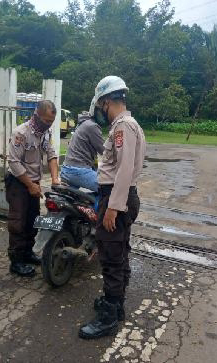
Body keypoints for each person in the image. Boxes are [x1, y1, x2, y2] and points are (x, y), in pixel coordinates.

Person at [79, 76, 146, 339]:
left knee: (110, 257)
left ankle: (108, 317)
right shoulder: (125, 125)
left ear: (106, 101)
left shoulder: (123, 127)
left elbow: (124, 169)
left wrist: (112, 207)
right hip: (118, 197)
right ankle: (115, 306)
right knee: (118, 253)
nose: (100, 111)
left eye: (100, 105)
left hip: (117, 198)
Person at [5, 100, 60, 277]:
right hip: (18, 182)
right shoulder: (20, 133)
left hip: (33, 183)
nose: (48, 124)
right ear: (36, 115)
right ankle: (16, 261)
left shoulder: (45, 133)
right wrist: (30, 185)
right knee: (18, 222)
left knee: (32, 220)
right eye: (45, 121)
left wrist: (54, 179)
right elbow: (13, 163)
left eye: (51, 122)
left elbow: (51, 155)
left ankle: (27, 253)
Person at [60, 111, 104, 193]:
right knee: (108, 187)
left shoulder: (82, 124)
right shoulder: (92, 126)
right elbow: (104, 151)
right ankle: (100, 206)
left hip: (66, 169)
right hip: (78, 170)